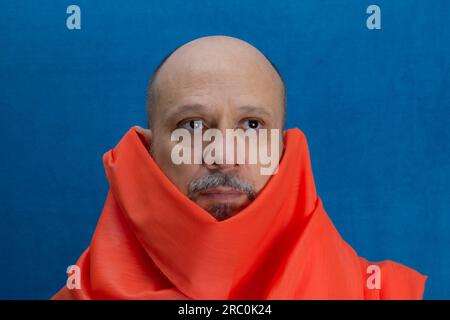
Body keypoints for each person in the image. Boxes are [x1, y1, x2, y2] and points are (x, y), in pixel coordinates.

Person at [52, 35, 426, 299]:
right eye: (192, 126)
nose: (224, 155)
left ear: (283, 148)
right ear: (148, 151)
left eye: (252, 126)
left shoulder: (376, 292)